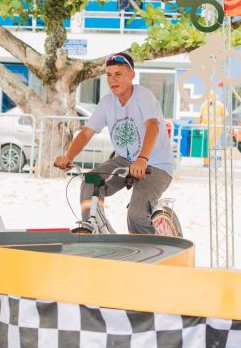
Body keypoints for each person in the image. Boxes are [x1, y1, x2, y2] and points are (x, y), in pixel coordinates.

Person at [53, 52, 174, 234]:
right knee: (89, 183)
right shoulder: (107, 103)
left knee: (136, 215)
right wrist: (68, 156)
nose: (112, 80)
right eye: (109, 75)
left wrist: (142, 159)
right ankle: (95, 232)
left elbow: (152, 127)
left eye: (118, 74)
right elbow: (86, 133)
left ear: (131, 75)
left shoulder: (144, 97)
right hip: (126, 161)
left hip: (157, 164)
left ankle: (150, 250)